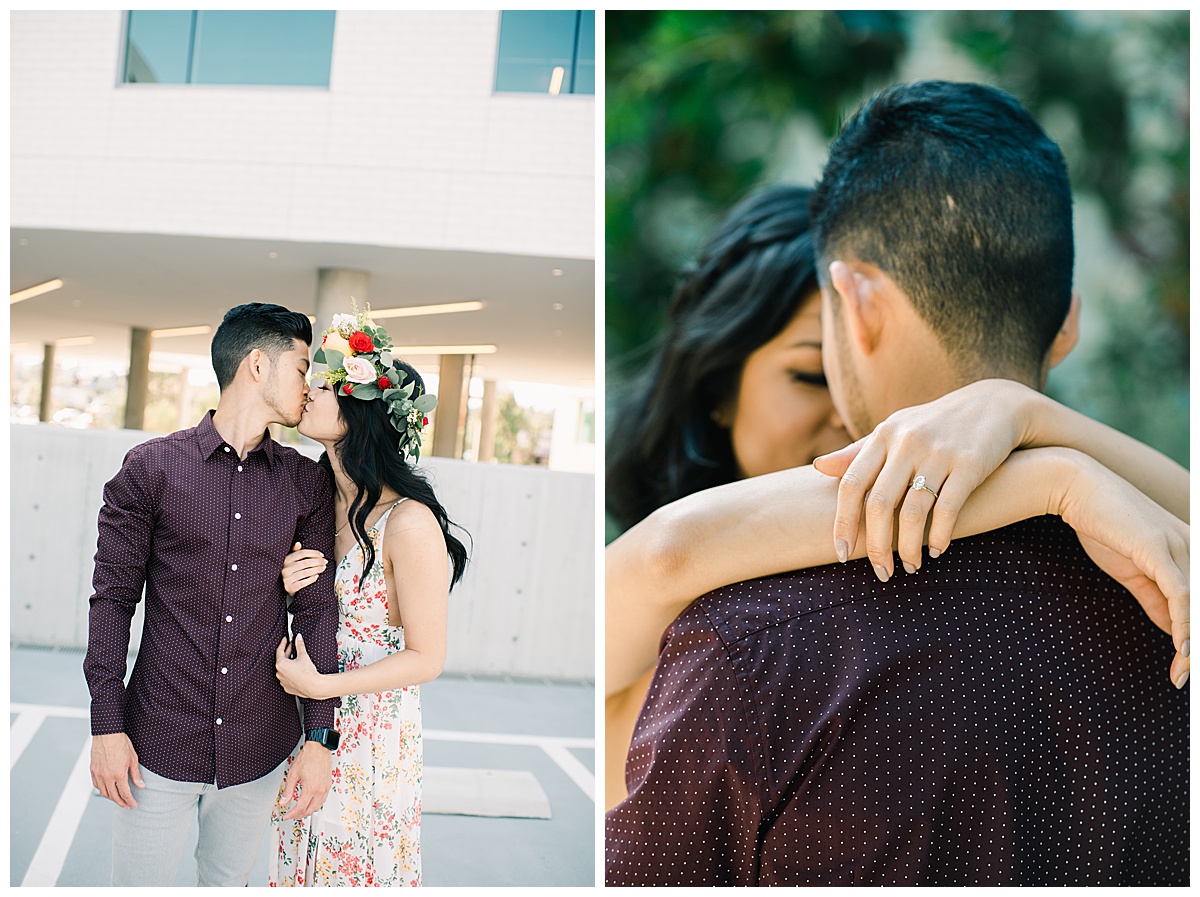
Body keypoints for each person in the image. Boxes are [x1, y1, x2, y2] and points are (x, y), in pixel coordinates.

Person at [605, 81, 1189, 885]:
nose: (846, 434)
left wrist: (1045, 453)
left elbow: (663, 556)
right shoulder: (1168, 591)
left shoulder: (749, 644)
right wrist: (1049, 464)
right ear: (1069, 324)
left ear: (856, 303)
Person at [83, 302, 341, 887]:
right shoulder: (150, 469)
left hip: (259, 745)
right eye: (303, 368)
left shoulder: (305, 481)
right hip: (158, 743)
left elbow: (317, 608)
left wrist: (320, 737)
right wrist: (106, 725)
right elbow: (112, 600)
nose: (311, 386)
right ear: (256, 365)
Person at [267, 308, 469, 887]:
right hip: (305, 716)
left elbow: (427, 657)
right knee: (298, 866)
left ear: (361, 414)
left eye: (328, 386)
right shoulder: (313, 495)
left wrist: (324, 687)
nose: (310, 391)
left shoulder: (408, 523)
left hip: (369, 732)